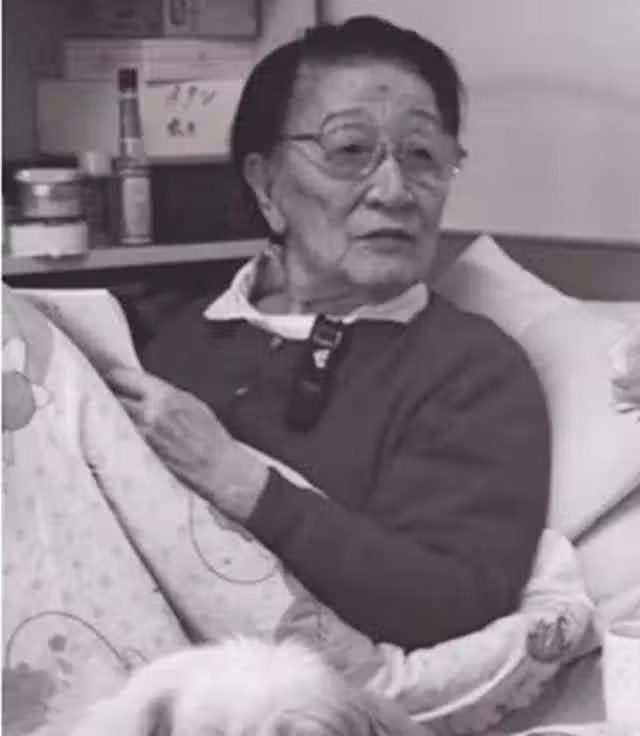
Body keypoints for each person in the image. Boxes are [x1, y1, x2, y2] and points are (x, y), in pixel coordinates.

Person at [108, 16, 551, 652]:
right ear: (265, 184)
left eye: (423, 155)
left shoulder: (473, 372)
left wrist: (242, 484)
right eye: (349, 150)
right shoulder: (176, 346)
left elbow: (454, 603)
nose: (394, 191)